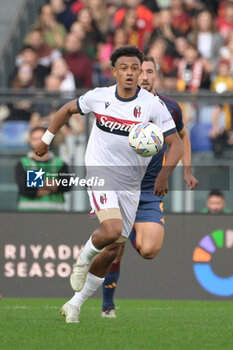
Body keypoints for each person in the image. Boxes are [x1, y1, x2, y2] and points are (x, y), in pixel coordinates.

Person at [35, 46, 183, 323]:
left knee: (114, 248)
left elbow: (176, 144)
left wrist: (164, 175)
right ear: (114, 71)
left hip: (132, 184)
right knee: (112, 230)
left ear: (141, 72)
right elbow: (67, 109)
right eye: (124, 68)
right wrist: (45, 140)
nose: (129, 73)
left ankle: (75, 304)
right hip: (101, 172)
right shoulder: (98, 97)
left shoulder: (152, 106)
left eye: (134, 68)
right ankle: (84, 257)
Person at [100, 56, 199, 318]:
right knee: (114, 248)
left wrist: (186, 171)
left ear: (156, 76)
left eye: (149, 71)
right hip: (120, 187)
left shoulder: (169, 108)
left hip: (150, 190)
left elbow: (182, 137)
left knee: (149, 250)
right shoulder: (116, 104)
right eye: (138, 71)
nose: (143, 76)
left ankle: (131, 230)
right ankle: (107, 305)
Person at [15, 127, 71, 211]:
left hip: (56, 215)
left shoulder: (60, 163)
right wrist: (52, 185)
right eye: (34, 139)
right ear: (30, 141)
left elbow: (66, 186)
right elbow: (25, 188)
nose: (38, 142)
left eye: (41, 139)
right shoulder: (23, 163)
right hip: (27, 214)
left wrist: (36, 183)